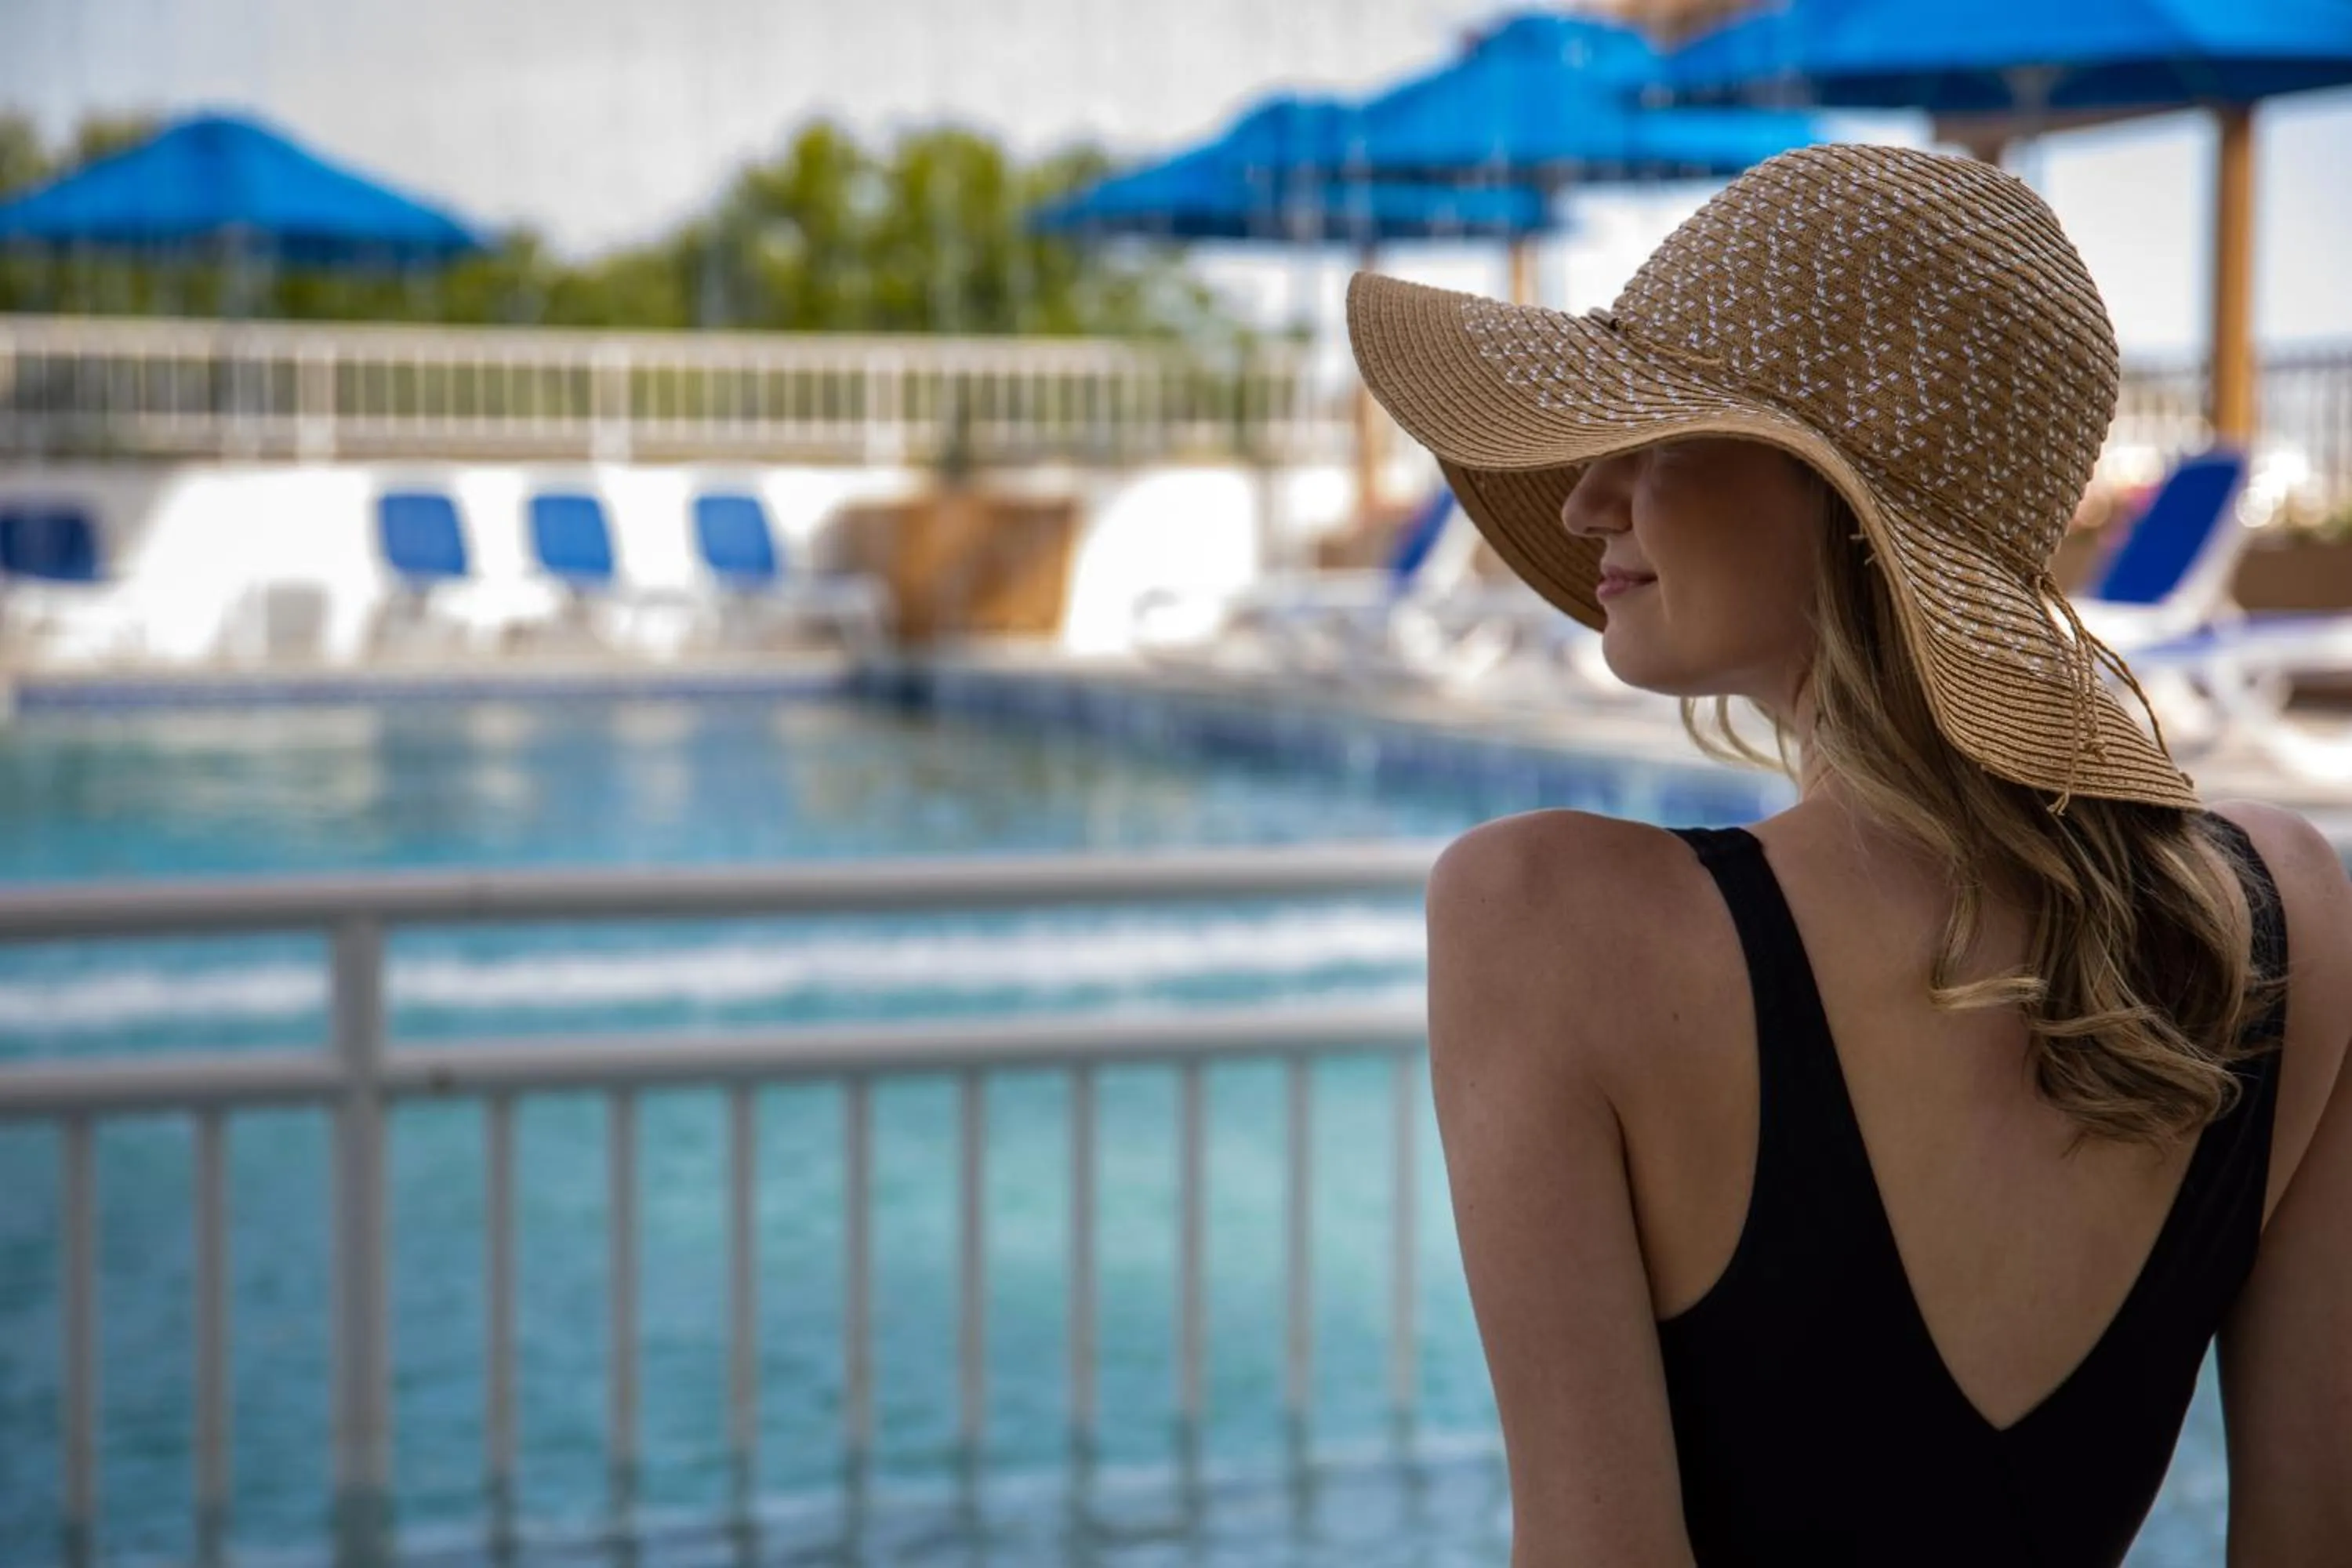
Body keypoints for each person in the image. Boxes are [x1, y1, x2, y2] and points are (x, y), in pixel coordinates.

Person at [1345, 143, 2351, 1566]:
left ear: (1836, 495)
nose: (1584, 503)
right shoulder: (2287, 916)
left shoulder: (1550, 923)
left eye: (1657, 437)